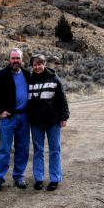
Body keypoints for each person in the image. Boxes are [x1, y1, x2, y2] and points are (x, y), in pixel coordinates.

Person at [0, 48, 31, 192]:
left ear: (22, 59)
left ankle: (18, 176)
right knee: (4, 149)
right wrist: (0, 111)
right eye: (13, 58)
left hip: (24, 117)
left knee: (22, 149)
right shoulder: (0, 75)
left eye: (18, 58)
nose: (15, 61)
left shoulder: (26, 74)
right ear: (8, 60)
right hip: (8, 119)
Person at [27, 54, 69, 191]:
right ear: (32, 66)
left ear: (44, 64)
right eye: (34, 65)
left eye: (39, 64)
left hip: (53, 121)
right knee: (38, 150)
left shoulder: (54, 78)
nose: (37, 67)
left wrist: (64, 116)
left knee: (54, 150)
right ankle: (39, 179)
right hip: (36, 122)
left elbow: (62, 98)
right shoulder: (30, 80)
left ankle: (55, 178)